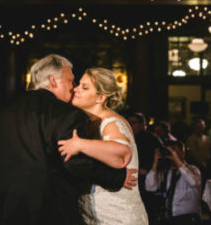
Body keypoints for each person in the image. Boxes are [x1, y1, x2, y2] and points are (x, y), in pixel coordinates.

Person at [0, 52, 127, 225]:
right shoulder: (66, 113)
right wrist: (117, 176)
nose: (73, 88)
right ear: (54, 81)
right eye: (70, 81)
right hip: (43, 211)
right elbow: (74, 163)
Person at [59, 66, 148, 225]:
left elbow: (121, 153)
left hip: (118, 218)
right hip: (93, 217)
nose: (76, 89)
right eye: (79, 84)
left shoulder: (111, 123)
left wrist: (80, 144)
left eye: (85, 87)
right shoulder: (89, 123)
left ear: (100, 98)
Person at [145, 138, 202, 216]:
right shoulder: (166, 172)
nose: (171, 154)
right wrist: (155, 162)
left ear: (183, 152)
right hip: (169, 217)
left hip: (188, 217)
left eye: (174, 150)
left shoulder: (193, 169)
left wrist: (177, 160)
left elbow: (193, 182)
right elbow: (150, 187)